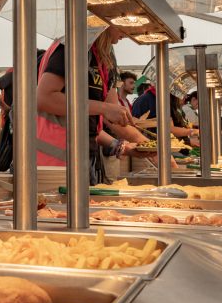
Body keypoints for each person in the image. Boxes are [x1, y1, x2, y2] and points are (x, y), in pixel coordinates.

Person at [36, 28, 145, 185]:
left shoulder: (106, 58)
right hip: (51, 168)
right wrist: (105, 109)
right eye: (120, 21)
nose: (128, 32)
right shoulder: (73, 44)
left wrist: (121, 146)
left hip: (83, 161)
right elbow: (44, 97)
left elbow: (99, 122)